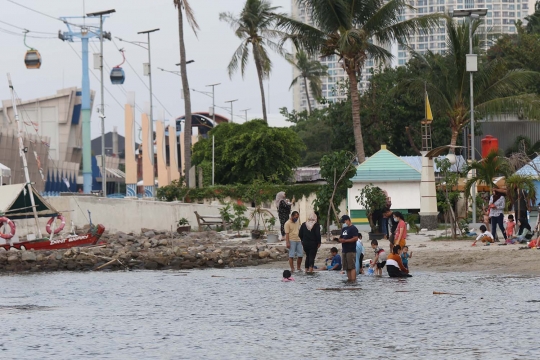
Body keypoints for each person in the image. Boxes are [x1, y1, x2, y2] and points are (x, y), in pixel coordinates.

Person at [338, 215, 359, 281]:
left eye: (344, 221)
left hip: (351, 250)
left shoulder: (353, 228)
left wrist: (346, 241)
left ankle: (353, 280)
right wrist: (340, 240)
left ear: (347, 220)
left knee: (351, 266)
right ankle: (349, 279)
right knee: (347, 267)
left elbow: (355, 238)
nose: (344, 223)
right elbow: (341, 237)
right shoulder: (344, 229)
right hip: (344, 250)